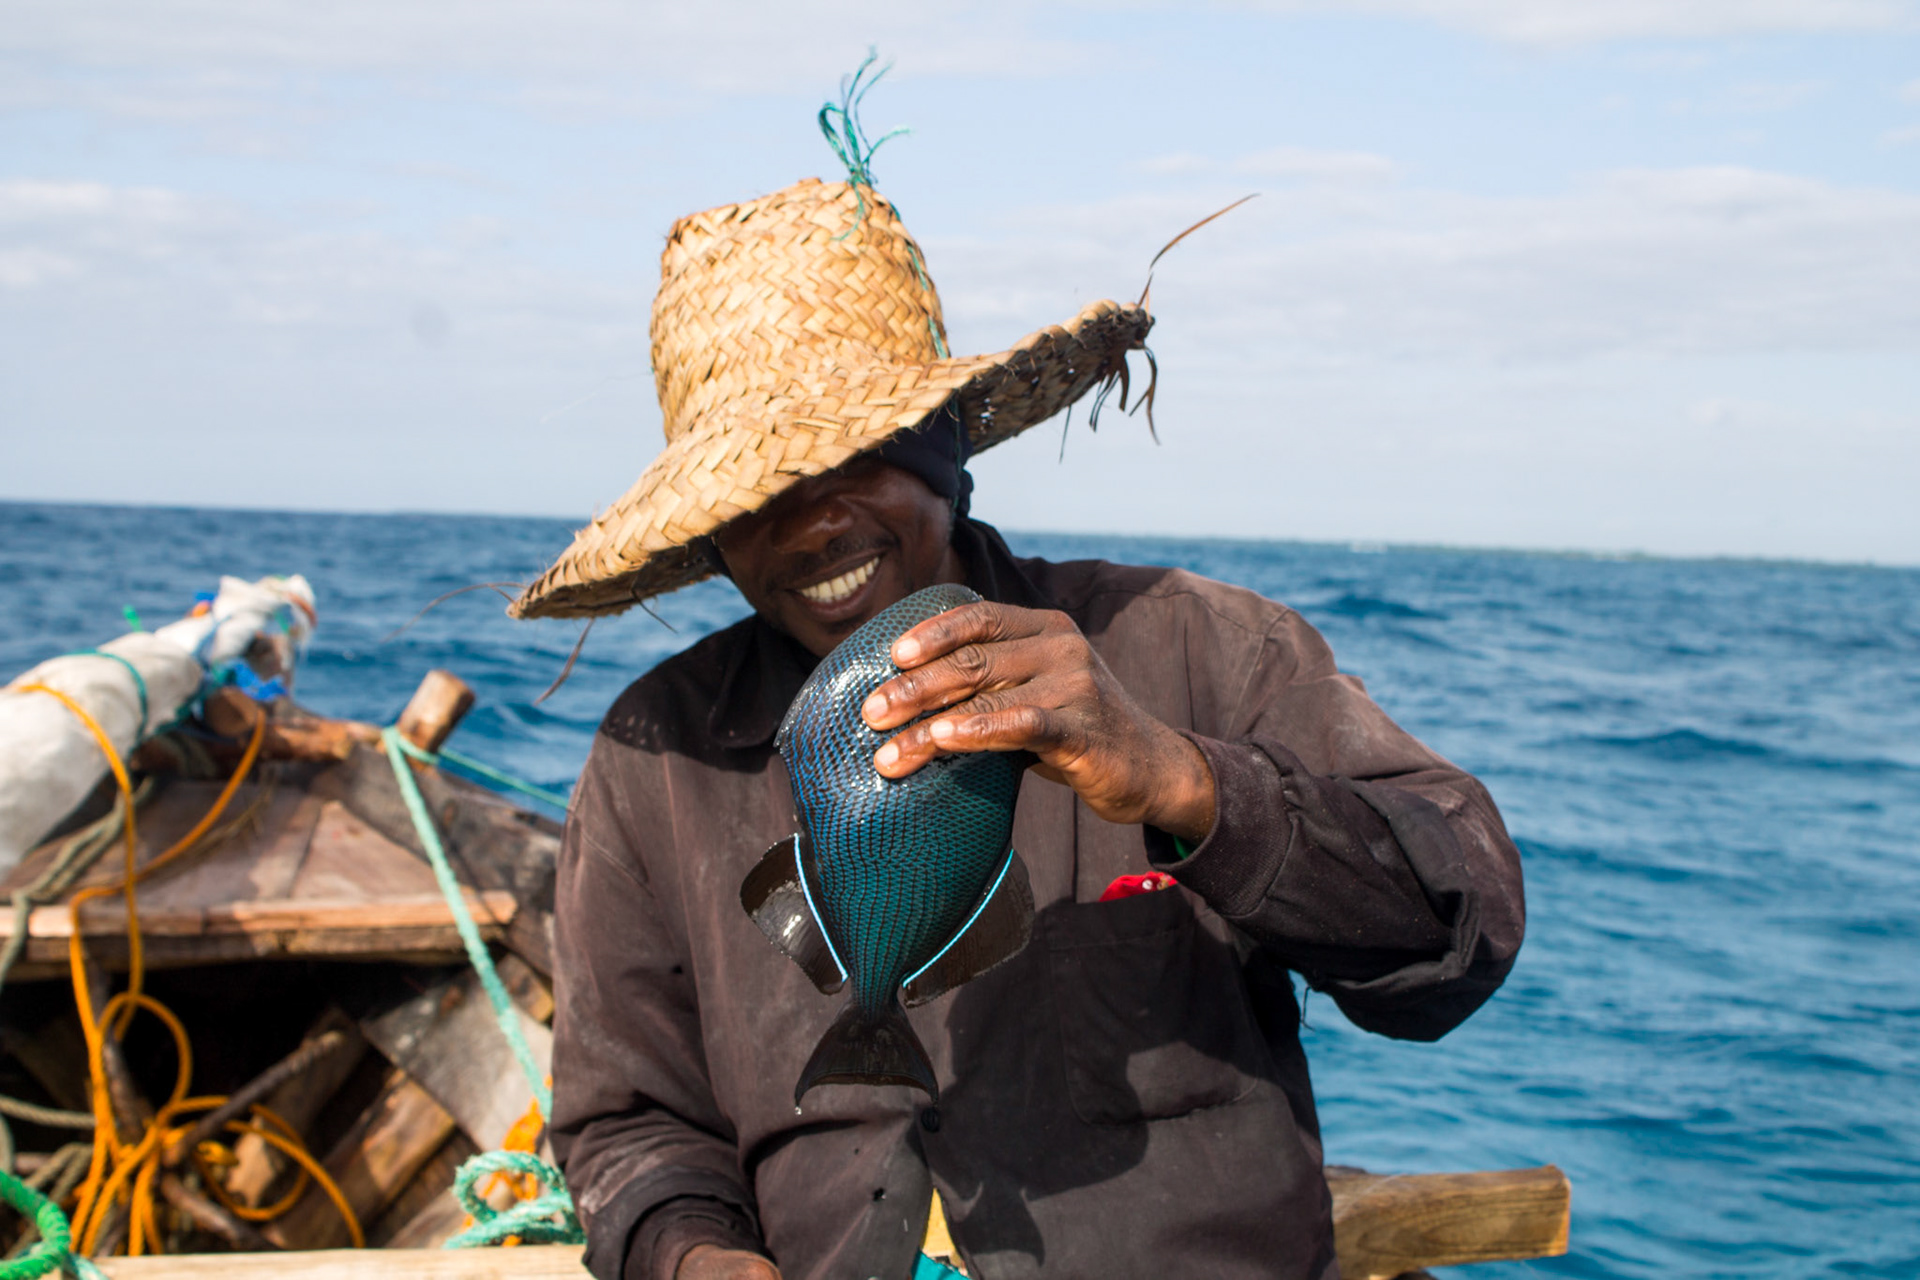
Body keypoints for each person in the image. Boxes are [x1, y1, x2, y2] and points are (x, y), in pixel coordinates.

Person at [511, 155, 1525, 1280]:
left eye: (855, 454)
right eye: (752, 495)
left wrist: (1185, 780)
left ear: (944, 446)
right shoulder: (655, 754)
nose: (811, 525)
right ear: (710, 536)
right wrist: (694, 1257)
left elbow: (1460, 935)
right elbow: (627, 1121)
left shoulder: (1193, 642)